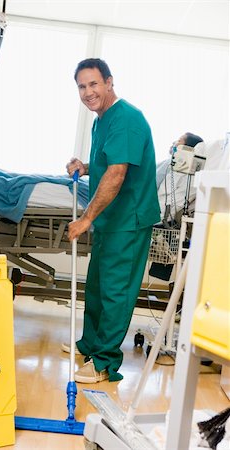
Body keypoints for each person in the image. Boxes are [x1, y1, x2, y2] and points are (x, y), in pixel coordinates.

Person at [64, 58, 160, 383]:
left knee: (115, 292)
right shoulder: (100, 119)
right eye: (82, 86)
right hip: (111, 219)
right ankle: (90, 345)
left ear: (109, 82)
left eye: (93, 84)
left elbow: (118, 175)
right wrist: (86, 166)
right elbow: (109, 162)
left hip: (128, 220)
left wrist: (85, 218)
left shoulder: (127, 119)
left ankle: (104, 363)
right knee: (96, 288)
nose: (88, 92)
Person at [157, 132, 204, 223]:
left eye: (179, 140)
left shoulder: (171, 165)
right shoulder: (195, 175)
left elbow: (152, 182)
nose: (174, 143)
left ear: (187, 148)